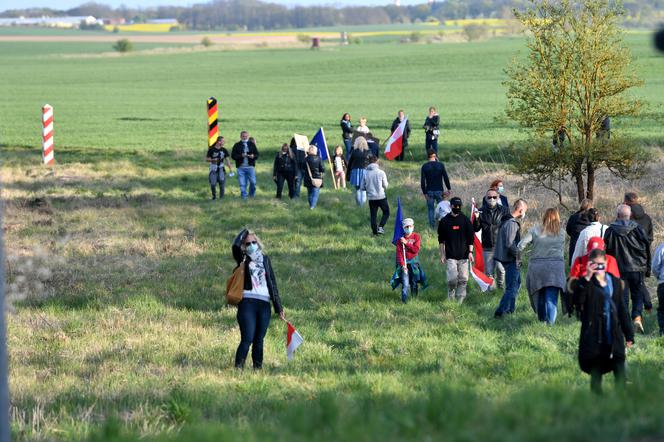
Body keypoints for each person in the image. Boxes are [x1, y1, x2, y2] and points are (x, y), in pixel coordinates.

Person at [571, 248, 634, 394]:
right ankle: (597, 402)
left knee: (619, 364)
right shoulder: (587, 283)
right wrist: (586, 277)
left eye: (601, 264)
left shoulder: (615, 282)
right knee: (596, 370)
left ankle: (620, 399)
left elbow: (622, 310)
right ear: (589, 264)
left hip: (614, 331)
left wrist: (629, 334)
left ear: (606, 264)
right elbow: (577, 302)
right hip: (595, 333)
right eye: (595, 265)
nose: (599, 268)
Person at [232, 230, 286, 370]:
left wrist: (278, 307)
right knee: (247, 338)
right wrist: (245, 231)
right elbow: (235, 246)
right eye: (248, 243)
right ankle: (238, 369)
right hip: (247, 304)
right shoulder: (243, 259)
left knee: (259, 340)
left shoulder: (265, 260)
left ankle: (257, 369)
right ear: (244, 245)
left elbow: (272, 284)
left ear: (258, 243)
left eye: (253, 242)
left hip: (264, 305)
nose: (251, 245)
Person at [604, 204, 652, 333]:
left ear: (617, 215)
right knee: (638, 294)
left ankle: (623, 325)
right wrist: (648, 267)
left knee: (622, 297)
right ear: (629, 215)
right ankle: (636, 317)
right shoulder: (639, 229)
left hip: (618, 269)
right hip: (637, 267)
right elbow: (646, 248)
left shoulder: (610, 231)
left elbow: (606, 252)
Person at [518, 208, 566, 325]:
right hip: (556, 268)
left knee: (539, 294)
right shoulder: (562, 232)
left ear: (544, 217)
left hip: (537, 267)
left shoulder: (535, 230)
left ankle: (542, 321)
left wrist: (518, 258)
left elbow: (520, 245)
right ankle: (550, 324)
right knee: (552, 297)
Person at [493, 199, 528, 318]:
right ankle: (500, 311)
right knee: (512, 287)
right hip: (511, 260)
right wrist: (518, 257)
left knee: (516, 284)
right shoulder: (512, 223)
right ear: (521, 209)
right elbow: (510, 243)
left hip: (507, 258)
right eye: (525, 211)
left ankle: (510, 310)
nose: (525, 214)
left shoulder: (506, 220)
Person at [438, 197, 474, 303]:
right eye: (455, 206)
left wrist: (470, 252)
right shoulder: (444, 221)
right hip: (450, 255)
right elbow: (441, 240)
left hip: (464, 255)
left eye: (459, 206)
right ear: (451, 206)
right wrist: (442, 254)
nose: (457, 208)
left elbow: (470, 239)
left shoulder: (466, 221)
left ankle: (460, 300)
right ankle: (451, 291)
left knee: (463, 279)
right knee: (452, 279)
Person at [473, 188, 509, 289]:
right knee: (489, 272)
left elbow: (509, 226)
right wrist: (476, 219)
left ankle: (500, 287)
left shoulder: (504, 210)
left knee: (501, 270)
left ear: (498, 198)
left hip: (500, 246)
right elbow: (476, 229)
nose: (492, 199)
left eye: (494, 197)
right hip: (487, 246)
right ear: (486, 198)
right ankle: (491, 291)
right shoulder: (480, 211)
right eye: (489, 197)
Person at [391, 218, 428, 304]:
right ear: (403, 228)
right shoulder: (400, 239)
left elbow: (416, 249)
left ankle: (414, 300)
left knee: (414, 283)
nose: (408, 228)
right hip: (404, 264)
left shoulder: (416, 237)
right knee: (405, 283)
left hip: (414, 264)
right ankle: (404, 301)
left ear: (413, 226)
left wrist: (406, 243)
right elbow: (399, 254)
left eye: (410, 226)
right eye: (406, 227)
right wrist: (403, 265)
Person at [420, 149, 452, 228]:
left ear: (427, 156)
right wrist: (449, 188)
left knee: (431, 209)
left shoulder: (424, 166)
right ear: (435, 156)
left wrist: (424, 193)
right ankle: (442, 226)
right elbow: (445, 178)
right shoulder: (440, 165)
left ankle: (432, 227)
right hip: (439, 191)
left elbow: (422, 181)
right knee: (442, 209)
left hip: (429, 191)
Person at [624, 192, 653, 274]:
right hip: (642, 258)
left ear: (625, 202)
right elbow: (650, 237)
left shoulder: (624, 218)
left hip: (627, 259)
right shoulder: (647, 218)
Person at [360, 155, 389, 235]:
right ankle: (381, 227)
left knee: (373, 215)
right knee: (386, 212)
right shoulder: (381, 172)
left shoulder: (365, 173)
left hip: (371, 198)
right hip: (381, 196)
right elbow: (385, 185)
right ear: (377, 162)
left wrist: (368, 188)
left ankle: (374, 233)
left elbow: (362, 187)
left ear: (369, 162)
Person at [231, 131, 259, 201]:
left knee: (253, 182)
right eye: (243, 136)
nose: (244, 137)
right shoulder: (237, 145)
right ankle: (244, 198)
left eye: (246, 136)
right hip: (241, 168)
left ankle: (251, 195)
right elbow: (233, 156)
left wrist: (253, 156)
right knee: (242, 184)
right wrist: (241, 155)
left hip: (250, 167)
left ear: (248, 136)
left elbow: (257, 154)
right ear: (240, 136)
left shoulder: (252, 144)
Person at [566, 199, 593, 266]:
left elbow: (568, 230)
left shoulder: (573, 217)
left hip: (574, 245)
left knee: (574, 269)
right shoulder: (591, 218)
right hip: (588, 247)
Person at [206, 136, 232, 201]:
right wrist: (213, 160)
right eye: (223, 141)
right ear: (218, 141)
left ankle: (221, 199)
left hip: (221, 169)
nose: (224, 142)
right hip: (213, 169)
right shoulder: (211, 149)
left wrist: (230, 167)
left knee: (222, 184)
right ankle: (214, 197)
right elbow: (207, 159)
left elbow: (227, 159)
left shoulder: (224, 150)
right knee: (213, 184)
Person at [347, 137, 369, 207]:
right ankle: (362, 205)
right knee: (364, 189)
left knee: (358, 189)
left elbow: (350, 164)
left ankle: (360, 205)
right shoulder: (368, 152)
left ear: (356, 143)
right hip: (365, 172)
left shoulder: (354, 152)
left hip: (355, 172)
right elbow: (371, 163)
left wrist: (347, 174)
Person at [303, 145, 324, 210]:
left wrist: (305, 159)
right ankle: (312, 207)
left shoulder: (306, 159)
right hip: (317, 179)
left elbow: (302, 168)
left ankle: (311, 206)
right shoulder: (319, 158)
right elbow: (322, 169)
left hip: (308, 178)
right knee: (315, 194)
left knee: (309, 193)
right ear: (315, 151)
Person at [652, 242, 664, 336]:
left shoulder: (662, 247)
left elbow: (655, 266)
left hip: (663, 282)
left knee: (662, 310)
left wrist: (659, 276)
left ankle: (662, 335)